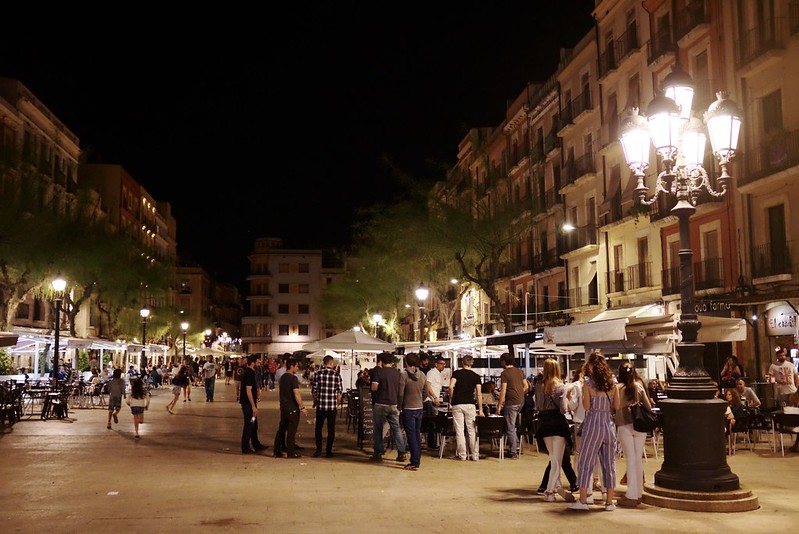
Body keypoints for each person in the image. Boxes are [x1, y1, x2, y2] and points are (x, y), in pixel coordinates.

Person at [568, 352, 620, 512]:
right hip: (609, 426)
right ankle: (609, 502)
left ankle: (583, 501)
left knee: (585, 462)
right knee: (609, 464)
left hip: (593, 425)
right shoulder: (613, 384)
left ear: (591, 366)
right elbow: (616, 406)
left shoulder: (588, 383)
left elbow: (587, 407)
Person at [535, 358, 573, 502]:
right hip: (557, 423)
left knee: (553, 457)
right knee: (557, 459)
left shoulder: (539, 385)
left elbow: (538, 406)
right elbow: (563, 409)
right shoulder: (562, 387)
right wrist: (568, 400)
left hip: (544, 423)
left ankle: (556, 485)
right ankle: (549, 492)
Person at [614, 362, 652, 507]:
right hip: (640, 426)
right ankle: (638, 493)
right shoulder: (639, 386)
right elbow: (648, 406)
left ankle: (631, 494)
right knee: (637, 459)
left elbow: (615, 407)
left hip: (624, 425)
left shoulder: (617, 388)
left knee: (630, 459)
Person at [369, 352, 407, 463]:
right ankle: (401, 453)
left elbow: (374, 387)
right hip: (394, 404)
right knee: (396, 428)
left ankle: (378, 453)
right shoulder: (398, 373)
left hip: (380, 403)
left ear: (382, 361)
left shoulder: (379, 372)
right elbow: (401, 391)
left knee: (378, 429)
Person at [448, 355, 482, 462]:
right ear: (471, 363)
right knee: (472, 430)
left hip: (457, 403)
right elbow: (479, 394)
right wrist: (480, 409)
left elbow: (450, 386)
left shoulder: (457, 373)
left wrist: (451, 397)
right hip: (470, 404)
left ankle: (462, 455)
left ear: (462, 362)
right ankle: (474, 455)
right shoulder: (476, 376)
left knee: (459, 430)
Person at [496, 352, 529, 459]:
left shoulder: (505, 373)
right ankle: (517, 444)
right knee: (513, 424)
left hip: (511, 403)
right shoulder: (520, 372)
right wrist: (520, 393)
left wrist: (499, 405)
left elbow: (503, 390)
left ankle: (513, 452)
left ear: (504, 361)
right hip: (521, 401)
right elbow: (526, 386)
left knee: (510, 427)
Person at [273, 358, 308, 458]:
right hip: (292, 408)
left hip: (284, 407)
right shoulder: (293, 378)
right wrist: (302, 407)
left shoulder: (283, 377)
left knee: (281, 430)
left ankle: (276, 451)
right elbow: (296, 394)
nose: (297, 368)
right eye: (296, 366)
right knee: (291, 432)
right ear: (291, 366)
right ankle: (291, 453)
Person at [398, 353, 427, 470]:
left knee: (411, 436)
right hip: (419, 408)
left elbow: (400, 393)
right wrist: (420, 399)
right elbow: (426, 392)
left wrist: (400, 406)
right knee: (416, 434)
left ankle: (414, 461)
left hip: (408, 408)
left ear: (406, 362)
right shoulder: (422, 375)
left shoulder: (404, 375)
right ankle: (417, 459)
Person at [312, 355, 343, 458]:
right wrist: (337, 403)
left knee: (318, 428)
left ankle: (318, 450)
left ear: (324, 362)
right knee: (331, 429)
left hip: (321, 406)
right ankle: (328, 451)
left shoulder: (318, 374)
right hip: (332, 407)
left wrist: (315, 402)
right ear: (331, 362)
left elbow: (314, 391)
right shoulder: (337, 375)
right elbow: (339, 393)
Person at [240, 354, 268, 455]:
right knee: (249, 425)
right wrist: (253, 406)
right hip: (248, 404)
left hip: (250, 403)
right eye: (258, 362)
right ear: (253, 363)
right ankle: (245, 447)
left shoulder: (251, 372)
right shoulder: (249, 373)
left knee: (254, 424)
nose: (259, 363)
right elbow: (248, 391)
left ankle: (256, 444)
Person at [423, 356, 447, 449]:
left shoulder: (438, 374)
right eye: (441, 364)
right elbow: (428, 386)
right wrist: (434, 397)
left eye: (444, 364)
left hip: (434, 400)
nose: (443, 366)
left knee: (433, 422)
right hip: (430, 401)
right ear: (436, 364)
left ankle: (433, 443)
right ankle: (432, 444)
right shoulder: (432, 373)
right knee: (432, 423)